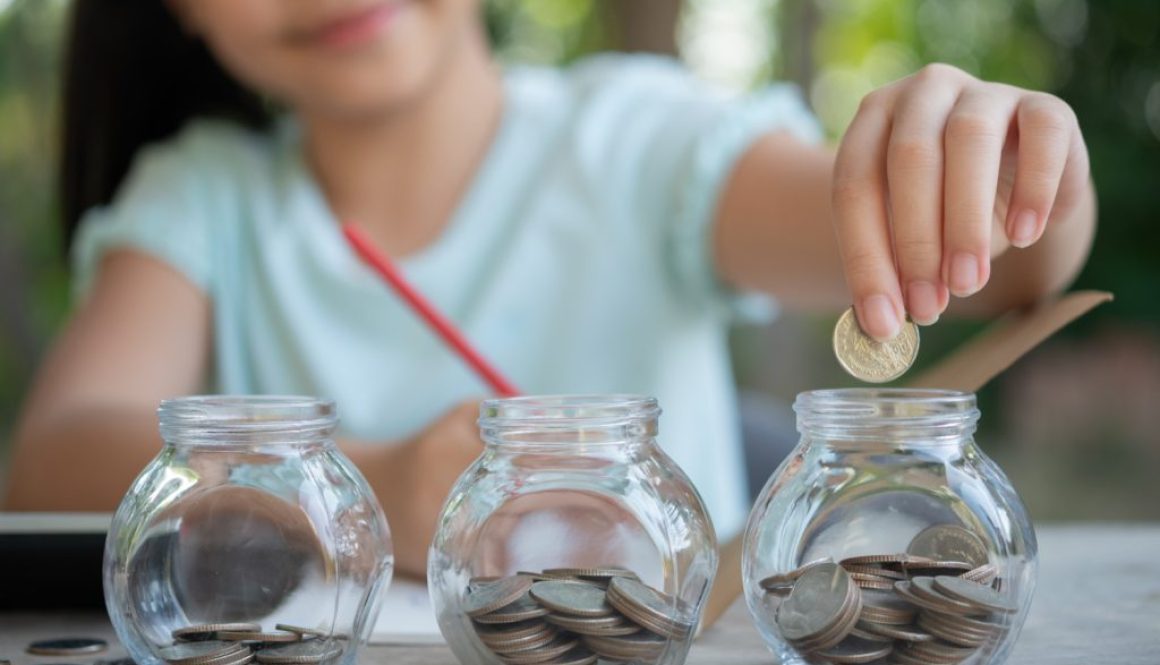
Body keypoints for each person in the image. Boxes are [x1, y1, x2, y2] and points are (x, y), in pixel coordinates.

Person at [4, 0, 1095, 577]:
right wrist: (367, 488)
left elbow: (1004, 266)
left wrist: (1007, 170)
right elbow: (48, 463)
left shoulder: (641, 140)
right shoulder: (203, 198)